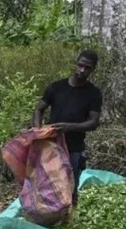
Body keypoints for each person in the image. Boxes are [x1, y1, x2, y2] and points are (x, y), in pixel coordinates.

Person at [32, 50, 103, 207]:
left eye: (87, 68)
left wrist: (69, 127)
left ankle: (68, 216)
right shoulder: (56, 87)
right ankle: (46, 214)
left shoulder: (93, 93)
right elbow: (38, 109)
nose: (82, 70)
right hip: (51, 145)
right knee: (47, 184)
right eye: (80, 65)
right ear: (76, 63)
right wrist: (38, 131)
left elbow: (93, 122)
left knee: (69, 188)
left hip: (74, 149)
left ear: (93, 69)